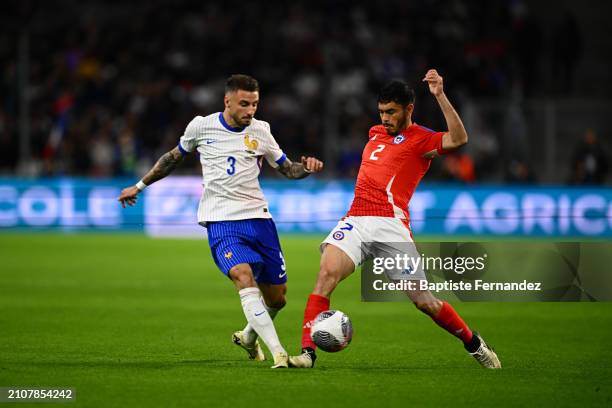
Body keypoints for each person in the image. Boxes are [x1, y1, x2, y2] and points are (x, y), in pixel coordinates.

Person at [289, 69, 501, 369]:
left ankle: (473, 342)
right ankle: (307, 353)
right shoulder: (375, 133)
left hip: (391, 226)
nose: (385, 118)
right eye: (381, 112)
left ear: (408, 109)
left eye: (391, 112)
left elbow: (459, 139)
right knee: (325, 275)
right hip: (356, 219)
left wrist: (439, 94)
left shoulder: (421, 140)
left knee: (424, 301)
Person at [118, 74, 324, 368]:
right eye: (244, 104)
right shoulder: (201, 126)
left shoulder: (261, 131)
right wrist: (138, 186)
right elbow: (172, 158)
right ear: (227, 101)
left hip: (259, 220)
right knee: (242, 276)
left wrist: (306, 168)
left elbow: (288, 169)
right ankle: (279, 352)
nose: (250, 110)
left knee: (277, 299)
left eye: (254, 104)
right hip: (221, 221)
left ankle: (249, 337)